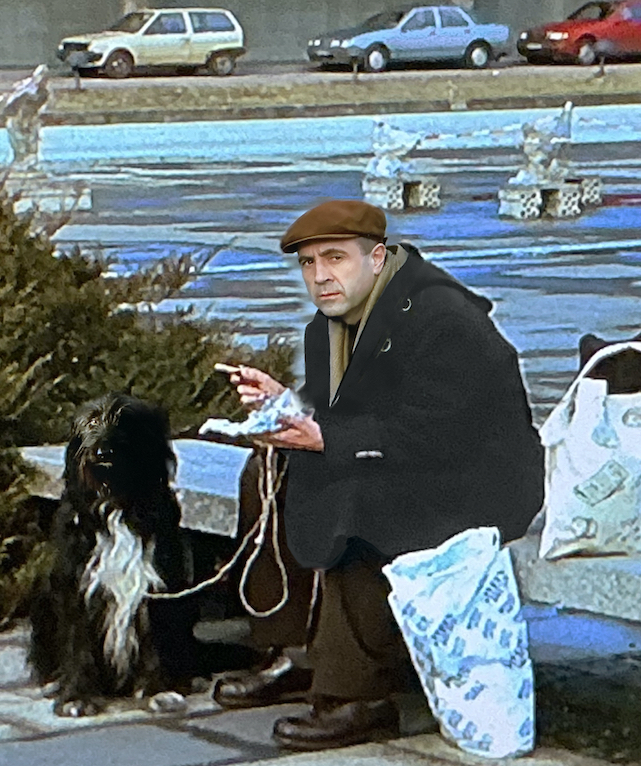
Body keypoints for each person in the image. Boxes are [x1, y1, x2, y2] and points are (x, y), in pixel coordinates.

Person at [223, 199, 544, 751]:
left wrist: (327, 439)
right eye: (308, 264)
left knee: (356, 494)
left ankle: (359, 694)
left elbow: (439, 434)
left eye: (335, 258)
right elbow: (340, 414)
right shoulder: (332, 325)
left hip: (478, 480)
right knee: (268, 469)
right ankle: (291, 650)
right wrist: (286, 409)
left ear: (376, 257)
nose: (320, 276)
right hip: (405, 458)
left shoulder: (443, 319)